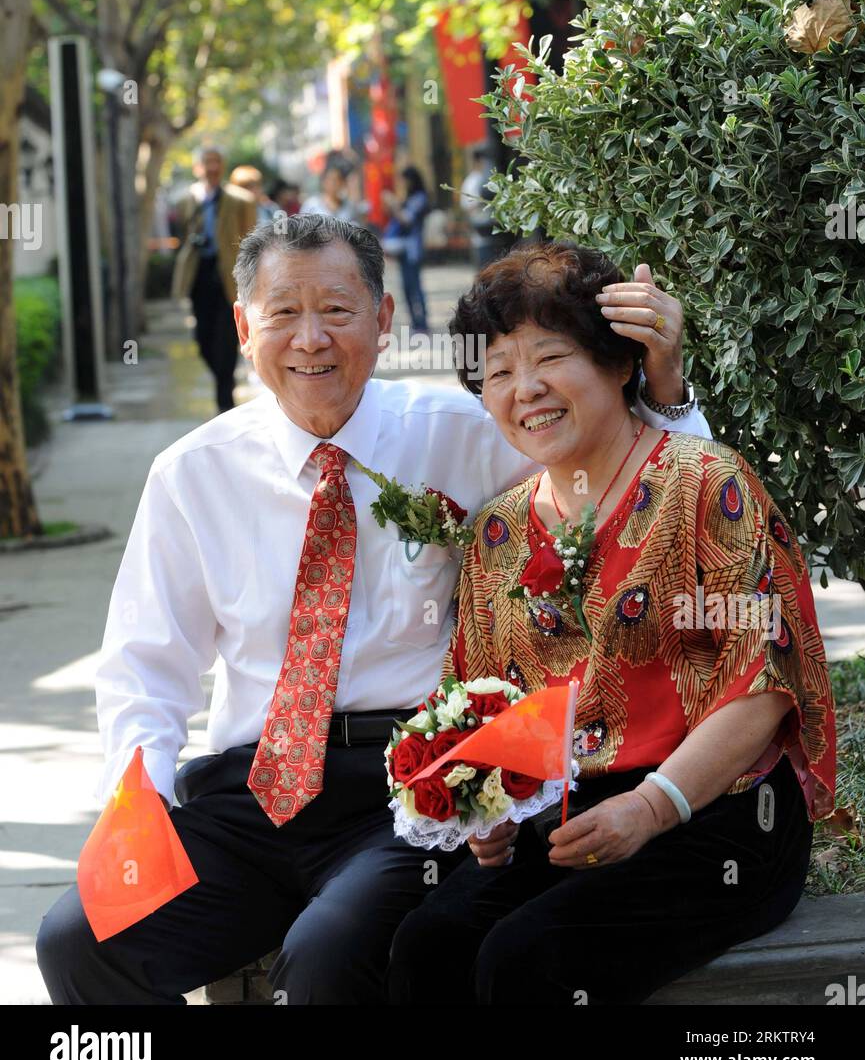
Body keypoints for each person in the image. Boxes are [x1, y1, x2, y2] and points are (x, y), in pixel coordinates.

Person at [34, 217, 707, 1006]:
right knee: (81, 939)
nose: (310, 339)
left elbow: (642, 491)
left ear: (383, 322)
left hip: (407, 791)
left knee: (328, 957)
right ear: (245, 324)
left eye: (338, 311)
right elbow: (146, 666)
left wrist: (665, 389)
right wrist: (136, 807)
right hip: (247, 795)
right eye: (283, 312)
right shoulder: (192, 473)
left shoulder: (467, 433)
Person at [387, 240, 837, 1007]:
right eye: (497, 372)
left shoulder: (703, 482)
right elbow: (483, 698)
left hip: (716, 814)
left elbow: (761, 687)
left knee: (528, 961)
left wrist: (654, 804)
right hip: (570, 816)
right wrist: (482, 807)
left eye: (550, 358)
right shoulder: (497, 529)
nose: (523, 389)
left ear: (622, 364)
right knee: (426, 947)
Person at [171, 146, 257, 413]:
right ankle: (224, 378)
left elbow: (251, 240)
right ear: (198, 167)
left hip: (229, 277)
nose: (211, 167)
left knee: (226, 336)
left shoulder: (240, 200)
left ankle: (225, 398)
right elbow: (181, 237)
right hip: (199, 273)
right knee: (202, 338)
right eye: (206, 162)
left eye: (216, 161)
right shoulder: (186, 200)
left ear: (223, 166)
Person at [382, 166, 430, 333]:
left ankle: (422, 322)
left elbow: (406, 219)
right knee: (406, 288)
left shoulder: (420, 198)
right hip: (403, 250)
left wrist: (394, 204)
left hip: (412, 250)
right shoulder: (408, 198)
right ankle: (415, 322)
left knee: (415, 287)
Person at [300, 163, 364, 223]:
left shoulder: (349, 207)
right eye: (330, 179)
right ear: (323, 181)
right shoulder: (311, 204)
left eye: (337, 180)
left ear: (342, 183)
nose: (333, 184)